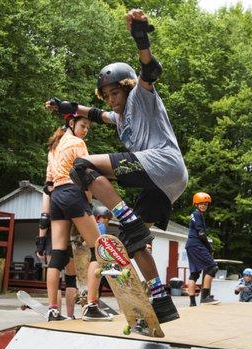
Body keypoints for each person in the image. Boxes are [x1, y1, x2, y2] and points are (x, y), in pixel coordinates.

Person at [46, 9, 187, 323]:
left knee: (81, 167)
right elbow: (94, 113)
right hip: (166, 183)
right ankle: (162, 302)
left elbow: (150, 69)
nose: (111, 100)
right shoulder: (118, 117)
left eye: (115, 93)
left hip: (162, 162)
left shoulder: (140, 96)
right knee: (132, 242)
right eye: (107, 95)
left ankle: (126, 217)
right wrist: (66, 107)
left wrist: (140, 37)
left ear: (126, 87)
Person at [41, 109, 111, 322]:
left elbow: (49, 182)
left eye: (88, 127)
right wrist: (88, 201)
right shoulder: (77, 144)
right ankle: (91, 306)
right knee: (98, 250)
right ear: (71, 123)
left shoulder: (55, 147)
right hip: (73, 193)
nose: (86, 131)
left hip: (57, 197)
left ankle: (53, 310)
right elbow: (85, 174)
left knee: (58, 254)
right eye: (83, 126)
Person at [35, 193, 77, 319]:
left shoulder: (50, 187)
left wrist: (40, 243)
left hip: (54, 237)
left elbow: (44, 217)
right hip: (72, 235)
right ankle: (71, 316)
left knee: (56, 277)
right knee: (71, 279)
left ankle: (55, 313)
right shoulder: (76, 183)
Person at [185, 192, 219, 306]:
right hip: (196, 244)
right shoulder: (197, 214)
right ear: (196, 204)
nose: (204, 206)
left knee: (194, 273)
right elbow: (201, 233)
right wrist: (209, 248)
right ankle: (205, 297)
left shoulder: (195, 215)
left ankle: (192, 302)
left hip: (191, 245)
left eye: (206, 204)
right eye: (201, 204)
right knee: (212, 267)